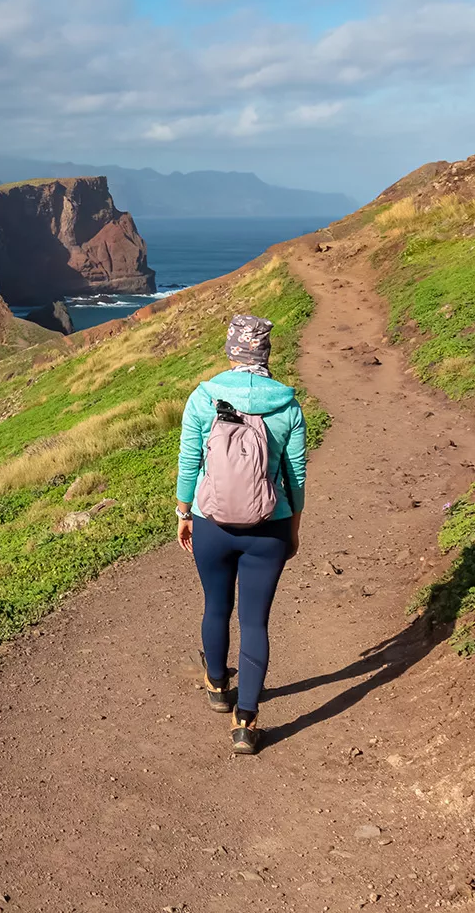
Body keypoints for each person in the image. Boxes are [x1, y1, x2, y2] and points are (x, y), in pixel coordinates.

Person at [174, 314, 307, 755]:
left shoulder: (203, 397)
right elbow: (296, 474)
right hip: (268, 528)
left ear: (231, 350)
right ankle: (245, 723)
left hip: (211, 523)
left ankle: (216, 685)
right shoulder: (287, 405)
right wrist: (293, 525)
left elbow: (190, 458)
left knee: (216, 606)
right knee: (255, 622)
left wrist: (184, 511)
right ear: (265, 352)